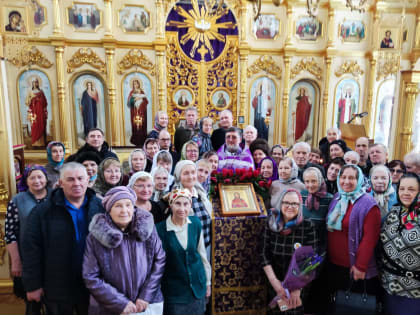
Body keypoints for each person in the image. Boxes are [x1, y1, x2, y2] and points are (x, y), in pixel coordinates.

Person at [22, 162, 105, 315]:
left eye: (80, 178)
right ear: (60, 183)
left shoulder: (101, 207)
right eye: (70, 179)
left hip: (94, 283)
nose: (77, 183)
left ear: (88, 180)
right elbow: (30, 249)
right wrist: (33, 285)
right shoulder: (42, 212)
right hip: (57, 284)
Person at [83, 186, 165, 315]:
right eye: (118, 206)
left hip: (146, 304)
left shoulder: (148, 229)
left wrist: (145, 296)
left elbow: (159, 261)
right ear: (109, 210)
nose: (124, 211)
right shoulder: (96, 236)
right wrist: (120, 303)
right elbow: (91, 276)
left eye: (128, 205)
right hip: (110, 307)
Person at [326, 165, 381, 310]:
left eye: (351, 178)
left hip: (353, 267)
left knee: (350, 306)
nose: (346, 181)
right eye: (343, 177)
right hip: (333, 264)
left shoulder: (368, 204)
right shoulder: (337, 197)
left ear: (360, 180)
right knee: (335, 305)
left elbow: (370, 239)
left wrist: (360, 266)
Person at [261, 189, 323, 315]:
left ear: (300, 206)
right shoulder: (271, 224)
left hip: (300, 285)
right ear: (280, 204)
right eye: (286, 203)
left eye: (294, 204)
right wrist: (275, 283)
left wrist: (297, 287)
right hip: (275, 280)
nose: (290, 206)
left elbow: (313, 259)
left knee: (294, 311)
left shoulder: (307, 226)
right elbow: (263, 254)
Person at [156, 188, 211, 315]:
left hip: (198, 288)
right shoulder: (160, 229)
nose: (182, 208)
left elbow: (202, 255)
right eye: (177, 203)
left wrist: (208, 283)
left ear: (190, 205)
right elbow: (158, 264)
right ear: (171, 205)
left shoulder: (195, 224)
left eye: (185, 204)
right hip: (175, 293)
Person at [5, 165, 50, 313]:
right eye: (32, 178)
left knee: (54, 303)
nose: (37, 181)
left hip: (53, 259)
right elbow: (9, 233)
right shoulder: (17, 200)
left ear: (46, 178)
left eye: (40, 177)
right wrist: (16, 261)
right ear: (26, 180)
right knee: (32, 303)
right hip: (28, 260)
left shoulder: (56, 196)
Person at [378, 173, 420, 314]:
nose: (405, 193)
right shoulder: (393, 213)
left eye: (411, 189)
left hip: (413, 291)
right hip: (387, 285)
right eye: (402, 189)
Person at [173, 160, 212, 254]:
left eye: (193, 172)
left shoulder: (201, 194)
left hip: (206, 246)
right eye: (186, 173)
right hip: (187, 250)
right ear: (179, 176)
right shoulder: (174, 198)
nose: (190, 177)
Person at [25, 77, 48, 146]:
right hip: (34, 112)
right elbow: (27, 102)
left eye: (36, 82)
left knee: (41, 124)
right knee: (35, 126)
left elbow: (45, 102)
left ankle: (41, 143)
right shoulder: (30, 92)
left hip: (40, 112)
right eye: (33, 82)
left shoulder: (41, 92)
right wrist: (32, 99)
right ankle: (35, 143)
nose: (35, 84)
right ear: (32, 83)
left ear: (38, 83)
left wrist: (39, 100)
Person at [127, 79, 148, 146]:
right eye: (134, 84)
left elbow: (146, 101)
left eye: (136, 84)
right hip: (134, 112)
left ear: (139, 84)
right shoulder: (131, 93)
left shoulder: (142, 92)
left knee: (142, 126)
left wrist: (141, 101)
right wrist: (134, 100)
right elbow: (129, 103)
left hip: (142, 112)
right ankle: (135, 139)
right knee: (135, 126)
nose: (135, 85)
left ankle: (143, 139)